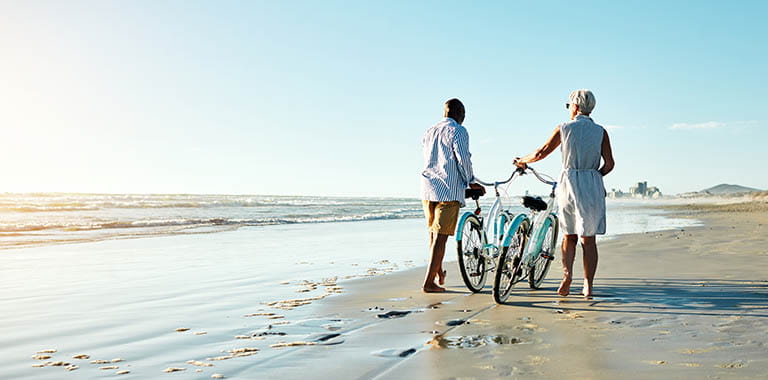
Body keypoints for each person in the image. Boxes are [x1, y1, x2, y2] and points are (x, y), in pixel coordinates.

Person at [515, 89, 614, 297]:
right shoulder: (601, 131)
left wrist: (522, 161)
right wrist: (595, 176)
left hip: (569, 183)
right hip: (591, 183)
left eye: (569, 105)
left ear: (575, 106)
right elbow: (610, 164)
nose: (569, 109)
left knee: (569, 235)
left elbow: (541, 152)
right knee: (589, 239)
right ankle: (588, 285)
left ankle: (567, 275)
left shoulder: (564, 128)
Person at [420, 98, 485, 293]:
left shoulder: (429, 131)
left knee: (433, 234)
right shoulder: (458, 130)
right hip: (448, 189)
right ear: (459, 114)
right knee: (441, 237)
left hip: (428, 187)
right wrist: (471, 180)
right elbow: (463, 158)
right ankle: (429, 283)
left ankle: (438, 273)